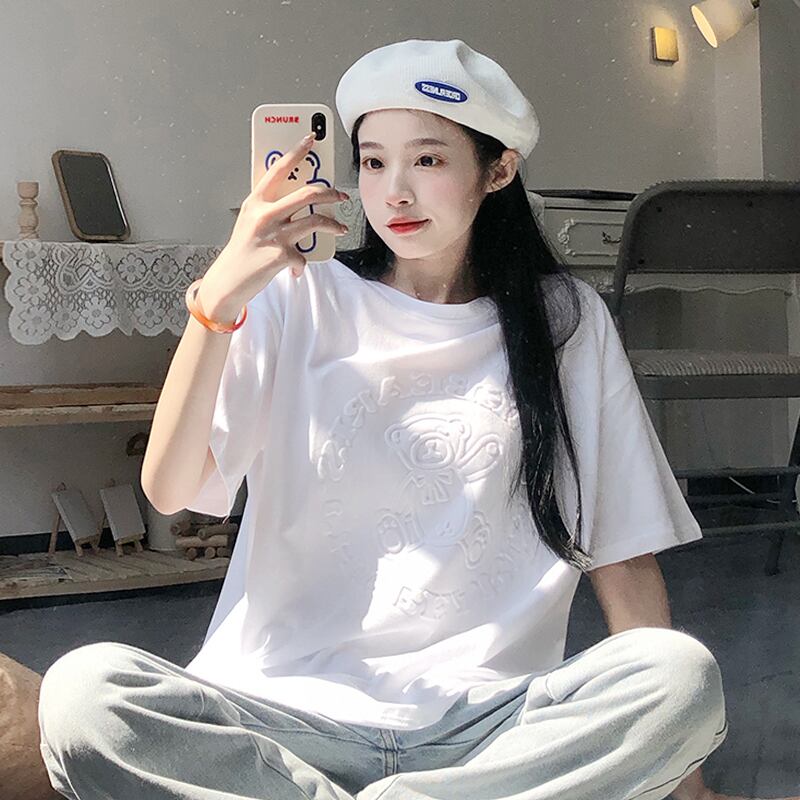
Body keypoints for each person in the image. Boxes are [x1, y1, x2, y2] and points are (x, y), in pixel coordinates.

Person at [38, 38, 749, 800]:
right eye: (373, 163)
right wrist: (218, 300)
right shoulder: (298, 294)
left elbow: (624, 554)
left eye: (428, 160)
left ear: (498, 169)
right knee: (85, 696)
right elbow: (172, 488)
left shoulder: (566, 322)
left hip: (485, 731)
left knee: (681, 679)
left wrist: (686, 781)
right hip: (282, 712)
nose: (395, 193)